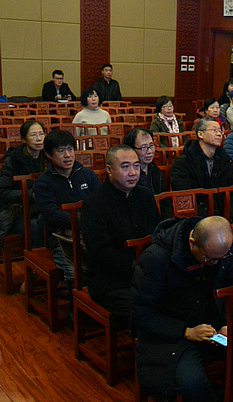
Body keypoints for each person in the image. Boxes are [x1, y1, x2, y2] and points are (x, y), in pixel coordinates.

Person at [132, 216, 233, 402]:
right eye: (209, 258)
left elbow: (230, 291)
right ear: (192, 242)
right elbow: (141, 315)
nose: (215, 263)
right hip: (171, 336)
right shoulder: (157, 259)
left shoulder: (223, 254)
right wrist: (186, 331)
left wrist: (226, 322)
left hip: (210, 328)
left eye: (222, 257)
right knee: (192, 382)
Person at [80, 145, 160, 325]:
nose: (133, 172)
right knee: (143, 307)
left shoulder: (145, 195)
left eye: (136, 166)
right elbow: (101, 253)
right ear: (109, 169)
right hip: (111, 280)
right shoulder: (94, 204)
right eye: (125, 167)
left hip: (147, 272)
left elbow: (157, 235)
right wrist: (139, 269)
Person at [34, 130, 101, 285]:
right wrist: (83, 221)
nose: (68, 155)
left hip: (90, 232)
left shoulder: (88, 174)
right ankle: (75, 307)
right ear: (49, 155)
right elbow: (52, 215)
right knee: (74, 271)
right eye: (61, 151)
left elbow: (100, 203)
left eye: (70, 149)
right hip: (61, 237)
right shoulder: (43, 183)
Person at [0, 121, 49, 248]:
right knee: (38, 229)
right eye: (33, 135)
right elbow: (3, 192)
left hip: (43, 207)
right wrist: (31, 195)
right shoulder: (12, 160)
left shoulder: (49, 157)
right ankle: (39, 263)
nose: (38, 139)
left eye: (41, 134)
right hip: (18, 211)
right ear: (23, 139)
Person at [170, 118, 233, 215]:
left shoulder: (225, 160)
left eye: (220, 131)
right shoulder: (183, 162)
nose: (219, 134)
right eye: (214, 130)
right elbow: (184, 196)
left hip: (221, 214)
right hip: (195, 216)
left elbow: (231, 191)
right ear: (200, 134)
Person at [123, 127, 165, 194]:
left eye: (151, 146)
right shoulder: (127, 176)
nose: (149, 151)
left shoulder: (157, 171)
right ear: (132, 149)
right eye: (144, 147)